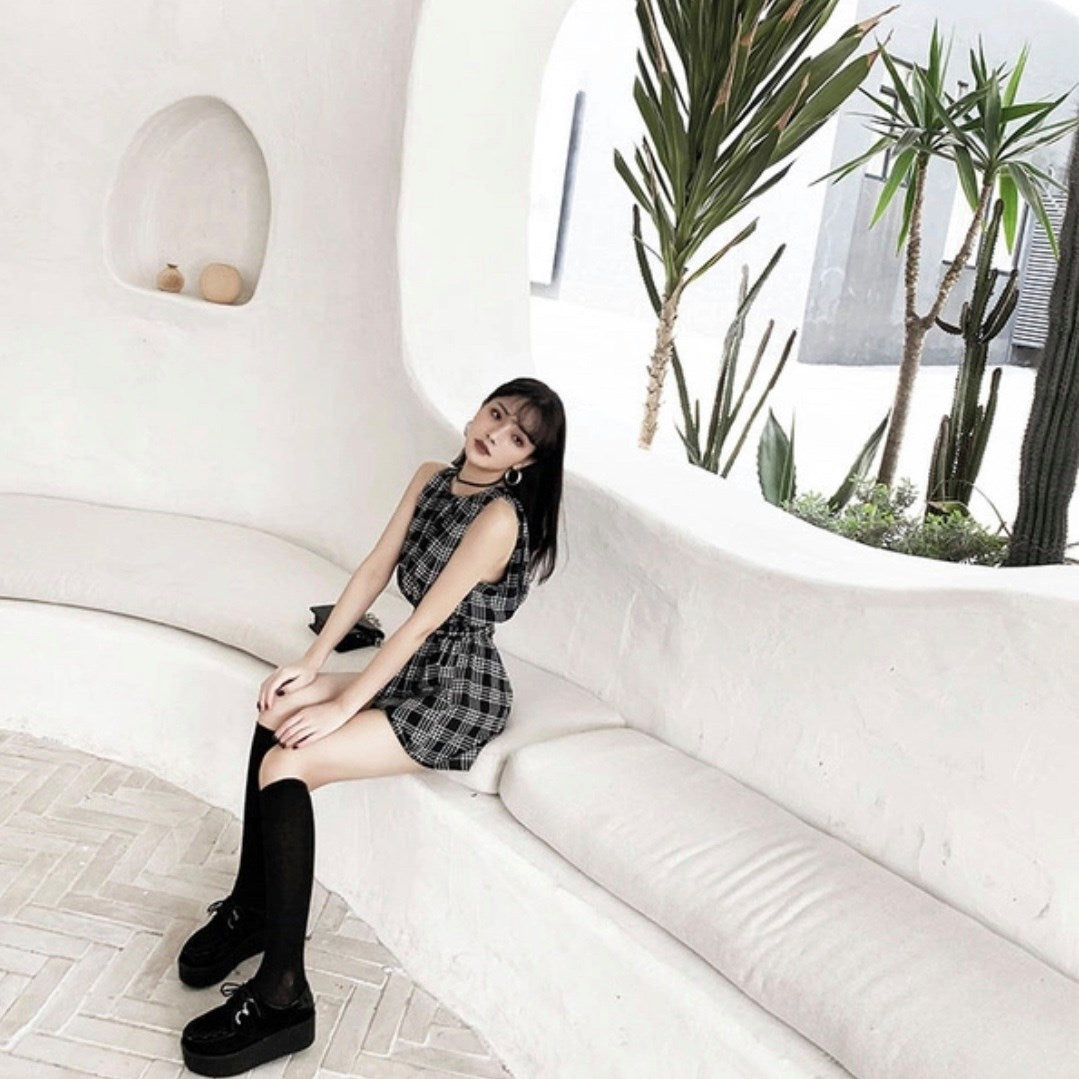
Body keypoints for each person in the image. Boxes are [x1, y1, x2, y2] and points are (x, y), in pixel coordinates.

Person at [177, 377, 566, 1076]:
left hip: (457, 691)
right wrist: (311, 664)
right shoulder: (431, 478)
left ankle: (284, 995)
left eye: (516, 437)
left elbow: (420, 625)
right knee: (277, 709)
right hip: (413, 667)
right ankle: (251, 908)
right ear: (478, 410)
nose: (494, 434)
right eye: (496, 414)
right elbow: (373, 571)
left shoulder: (499, 519)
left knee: (287, 762)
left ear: (525, 462)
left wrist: (342, 704)